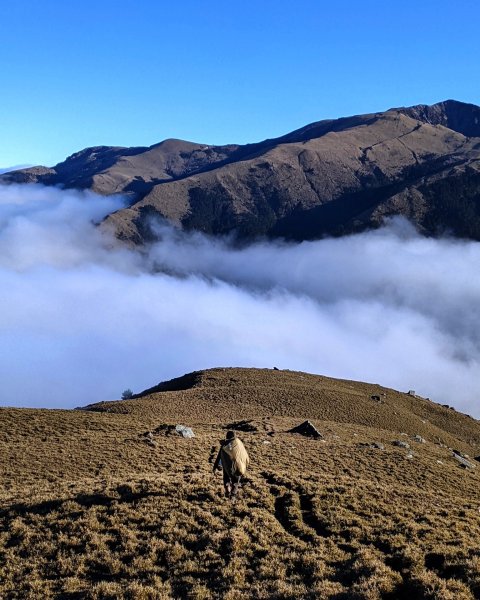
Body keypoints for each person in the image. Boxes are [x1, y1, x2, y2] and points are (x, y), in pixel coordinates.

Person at [213, 430, 250, 498]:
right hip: (239, 465)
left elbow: (219, 456)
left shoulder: (225, 445)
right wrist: (246, 463)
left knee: (226, 478)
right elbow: (244, 454)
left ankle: (228, 491)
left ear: (227, 436)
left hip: (227, 466)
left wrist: (215, 466)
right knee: (236, 480)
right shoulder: (239, 443)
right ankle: (233, 494)